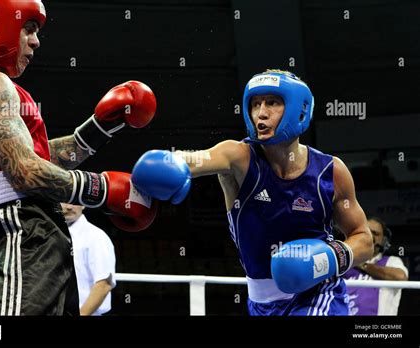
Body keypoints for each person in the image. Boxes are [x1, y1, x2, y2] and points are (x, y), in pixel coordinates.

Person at [0, 0, 157, 315]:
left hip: (19, 226)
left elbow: (32, 158)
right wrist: (102, 189)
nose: (36, 41)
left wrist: (99, 128)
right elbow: (25, 172)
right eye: (29, 29)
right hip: (20, 227)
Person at [131, 69, 374, 316]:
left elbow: (364, 239)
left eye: (273, 103)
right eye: (255, 104)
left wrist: (327, 259)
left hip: (318, 294)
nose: (261, 113)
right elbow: (197, 158)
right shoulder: (240, 158)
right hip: (261, 305)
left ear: (299, 110)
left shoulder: (330, 172)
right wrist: (170, 162)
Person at [343, 217, 408, 315]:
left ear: (384, 240)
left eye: (375, 233)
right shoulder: (345, 264)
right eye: (366, 232)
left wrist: (362, 264)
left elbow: (400, 277)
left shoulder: (391, 261)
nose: (370, 237)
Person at [61, 203, 116, 316]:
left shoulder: (96, 237)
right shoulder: (52, 235)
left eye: (75, 201)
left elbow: (104, 284)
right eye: (64, 200)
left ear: (84, 205)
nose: (69, 207)